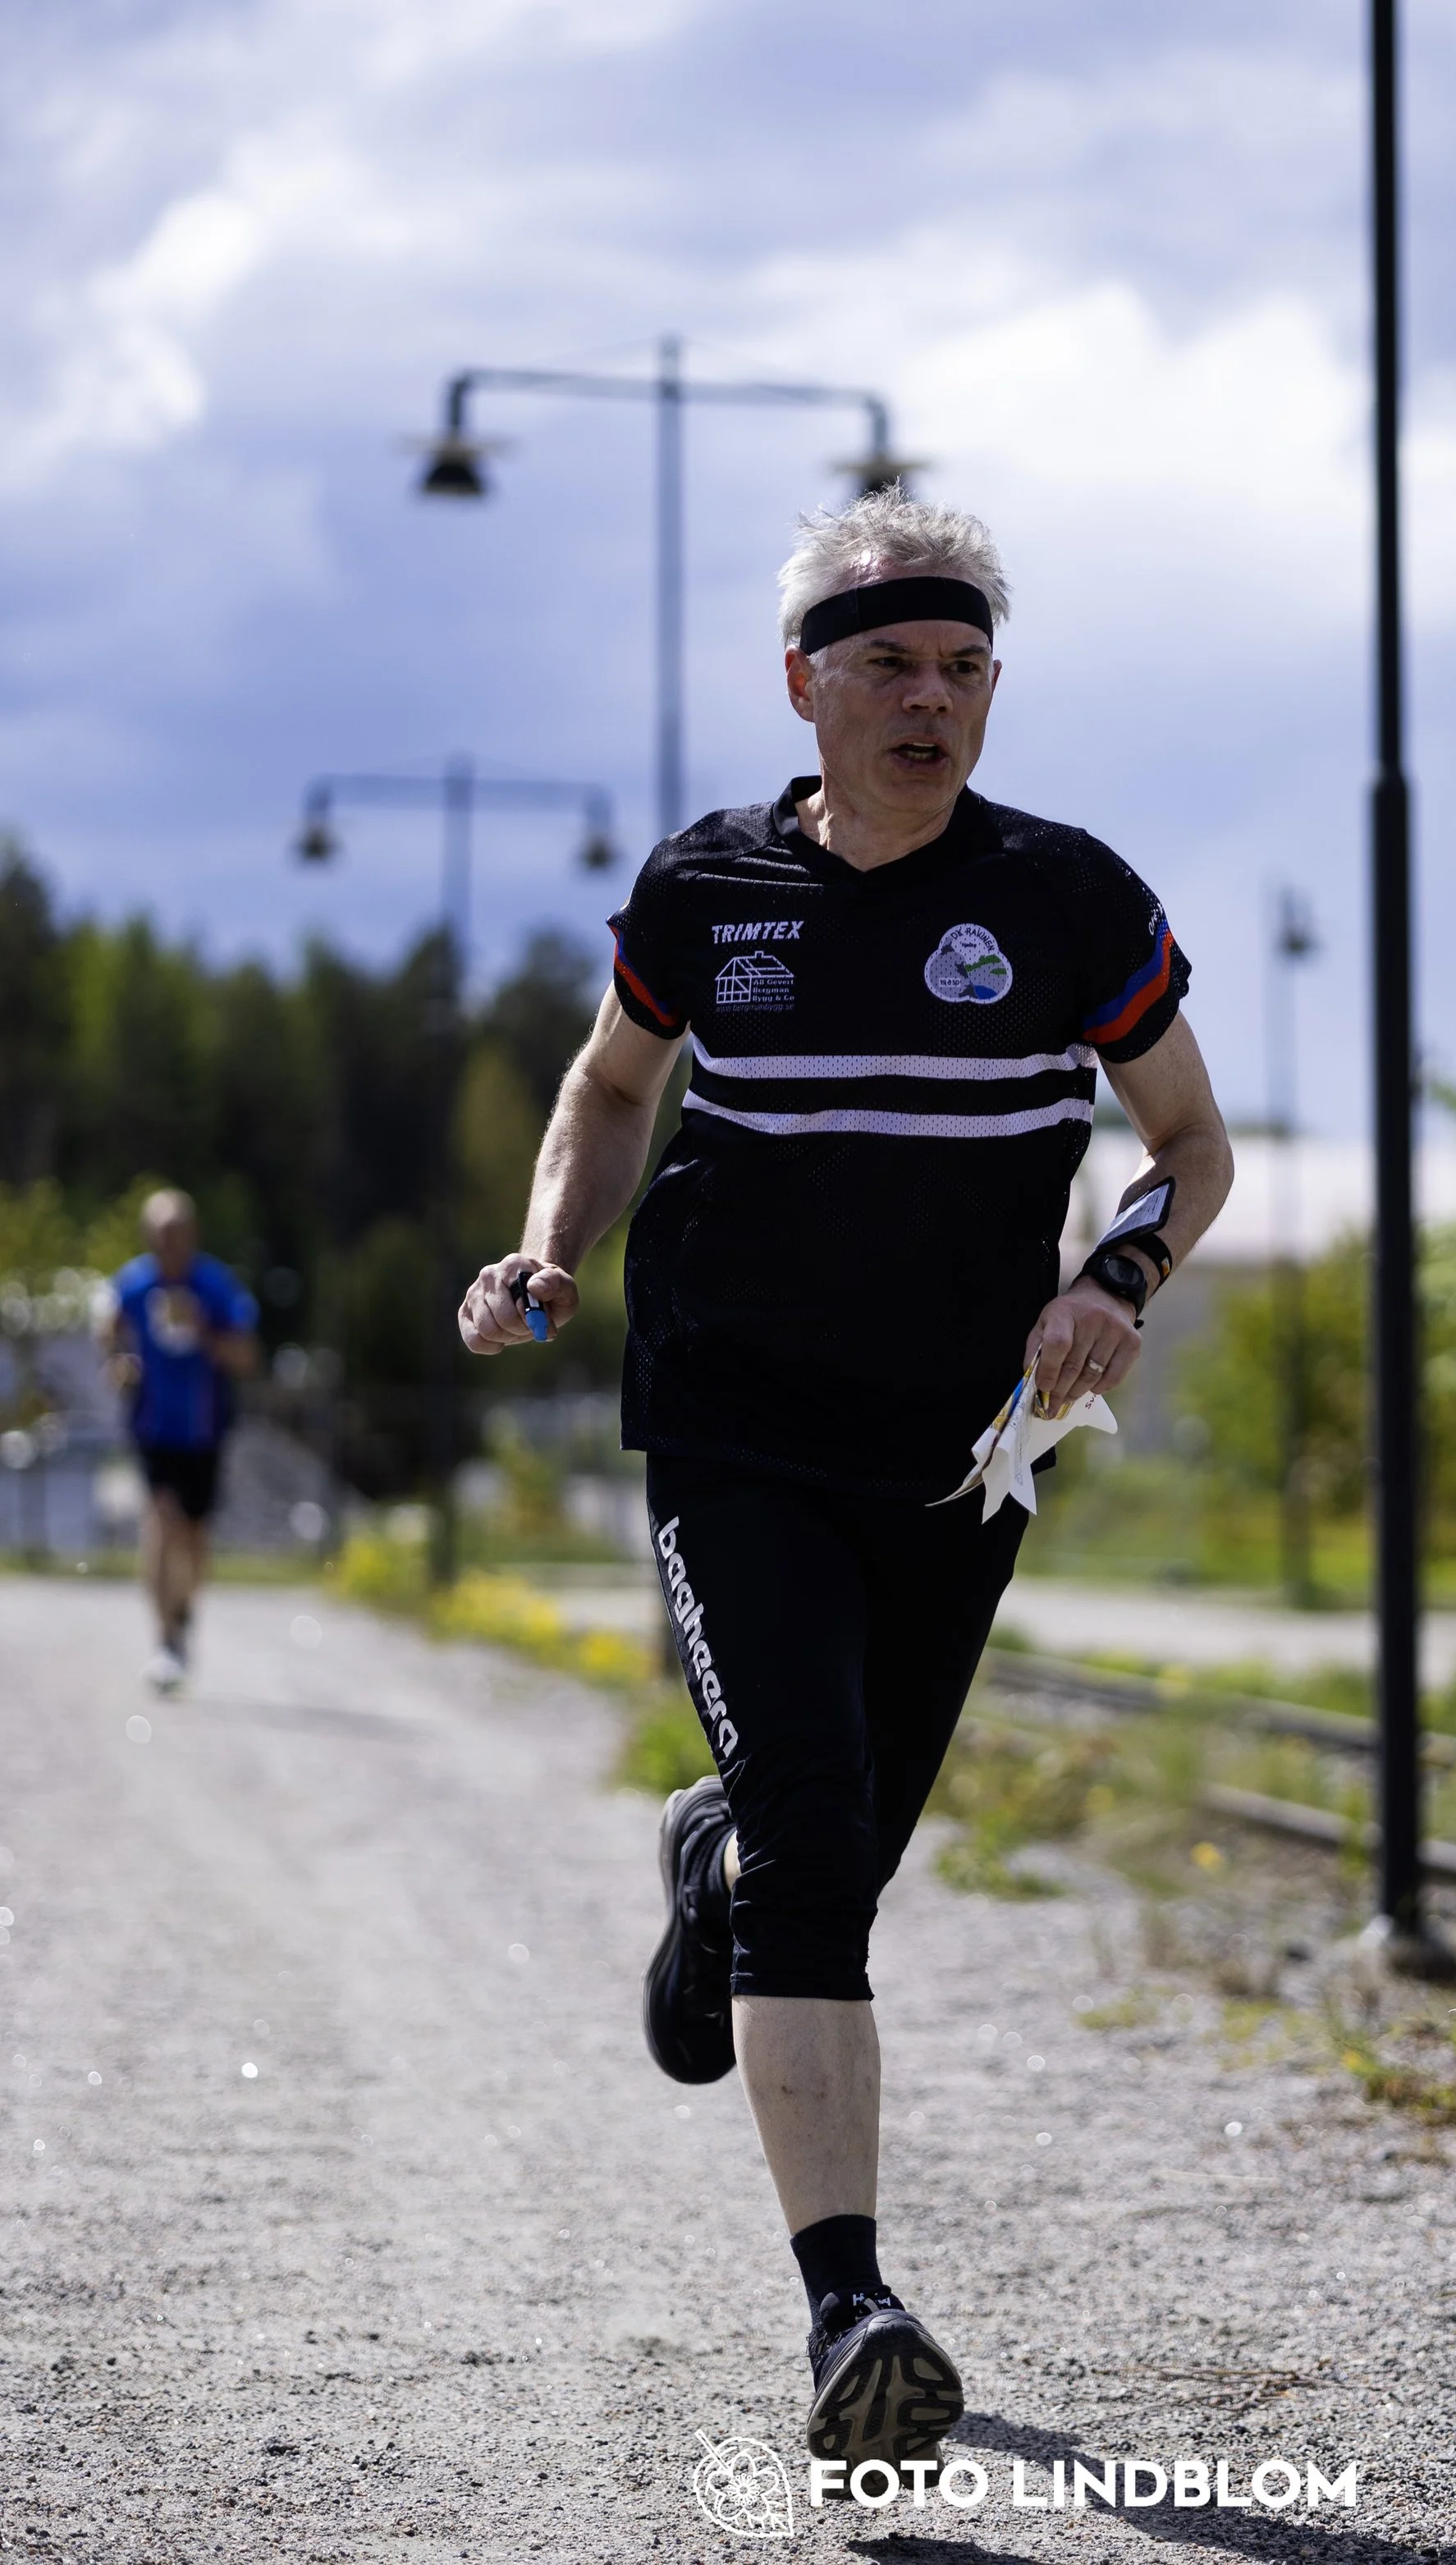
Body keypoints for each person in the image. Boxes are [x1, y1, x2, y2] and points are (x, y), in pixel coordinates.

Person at [458, 489, 1233, 2473]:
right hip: (732, 1421)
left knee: (841, 1845)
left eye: (964, 667)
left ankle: (711, 1865)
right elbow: (612, 1081)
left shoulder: (1066, 900)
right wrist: (549, 1246)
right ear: (801, 684)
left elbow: (1189, 1145)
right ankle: (850, 2307)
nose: (930, 700)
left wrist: (1115, 1276)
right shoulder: (706, 889)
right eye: (889, 664)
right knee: (822, 1848)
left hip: (961, 1451)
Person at [99, 1189, 259, 1692]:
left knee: (193, 1537)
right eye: (160, 1234)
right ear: (148, 1236)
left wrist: (203, 1332)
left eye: (176, 1234)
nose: (168, 1244)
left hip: (205, 1428)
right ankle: (165, 1638)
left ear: (192, 1235)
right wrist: (118, 1362)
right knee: (161, 1522)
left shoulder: (215, 1285)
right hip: (153, 1427)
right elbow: (107, 1328)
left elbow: (246, 1357)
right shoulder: (134, 1282)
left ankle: (184, 1612)